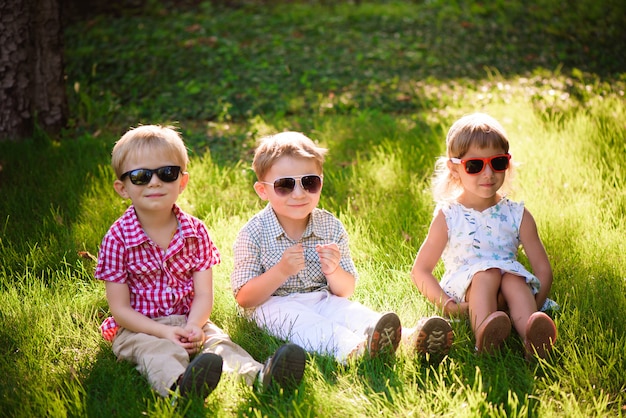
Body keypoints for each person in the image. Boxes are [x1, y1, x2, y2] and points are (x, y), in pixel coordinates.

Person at [95, 125, 306, 400]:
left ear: (182, 181)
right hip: (139, 327)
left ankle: (260, 377)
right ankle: (180, 386)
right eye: (140, 176)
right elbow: (121, 309)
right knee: (157, 351)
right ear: (123, 188)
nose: (155, 182)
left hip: (190, 318)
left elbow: (204, 294)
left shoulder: (195, 232)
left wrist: (195, 325)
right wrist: (164, 332)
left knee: (219, 343)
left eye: (167, 173)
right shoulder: (117, 238)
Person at [230, 131, 453, 364]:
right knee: (305, 324)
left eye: (309, 182)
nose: (299, 193)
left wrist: (334, 270)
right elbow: (245, 298)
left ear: (321, 182)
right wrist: (281, 271)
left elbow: (345, 291)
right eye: (285, 185)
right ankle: (353, 350)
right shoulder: (253, 233)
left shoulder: (329, 227)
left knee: (349, 311)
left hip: (321, 298)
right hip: (271, 306)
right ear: (262, 190)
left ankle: (407, 339)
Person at [411, 113, 557, 358]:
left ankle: (532, 334)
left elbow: (543, 270)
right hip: (469, 288)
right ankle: (485, 339)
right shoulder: (449, 215)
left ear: (507, 163)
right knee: (486, 275)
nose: (488, 174)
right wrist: (451, 307)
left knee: (513, 278)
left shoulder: (517, 214)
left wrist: (535, 302)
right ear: (455, 168)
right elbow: (421, 270)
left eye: (497, 163)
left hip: (511, 292)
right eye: (475, 165)